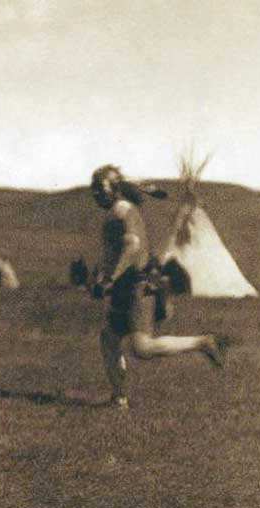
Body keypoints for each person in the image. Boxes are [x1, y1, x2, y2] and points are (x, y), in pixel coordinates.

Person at [89, 165, 226, 409]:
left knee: (143, 347)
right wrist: (100, 275)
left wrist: (109, 279)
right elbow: (114, 250)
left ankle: (204, 342)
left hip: (137, 287)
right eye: (94, 189)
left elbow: (131, 247)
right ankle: (119, 399)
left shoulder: (122, 212)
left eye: (101, 189)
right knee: (109, 338)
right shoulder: (116, 212)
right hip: (125, 288)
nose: (96, 194)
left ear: (115, 190)